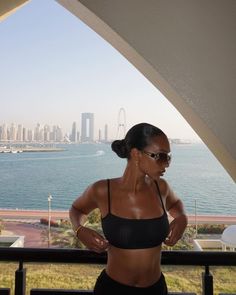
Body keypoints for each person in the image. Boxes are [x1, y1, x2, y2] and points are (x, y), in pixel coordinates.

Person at [69, 122, 188, 295]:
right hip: (112, 290)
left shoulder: (161, 188)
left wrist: (182, 217)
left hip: (155, 290)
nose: (166, 164)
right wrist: (79, 229)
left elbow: (176, 204)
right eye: (160, 156)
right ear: (136, 154)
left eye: (168, 157)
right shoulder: (103, 190)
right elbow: (76, 209)